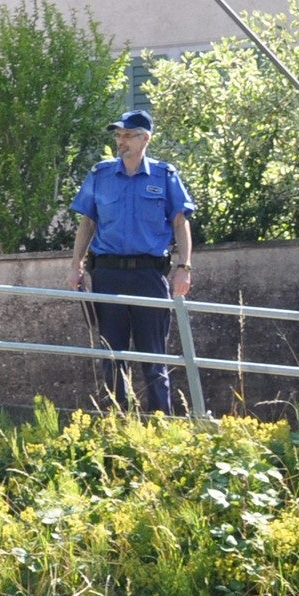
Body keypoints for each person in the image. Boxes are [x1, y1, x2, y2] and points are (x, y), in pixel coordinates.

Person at [69, 108, 196, 413]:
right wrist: (76, 266)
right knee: (112, 356)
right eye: (119, 135)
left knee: (154, 357)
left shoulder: (165, 175)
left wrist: (185, 268)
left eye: (128, 135)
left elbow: (180, 222)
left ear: (145, 139)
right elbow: (87, 223)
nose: (121, 141)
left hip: (148, 276)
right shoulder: (101, 174)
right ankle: (118, 423)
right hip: (108, 275)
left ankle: (161, 423)